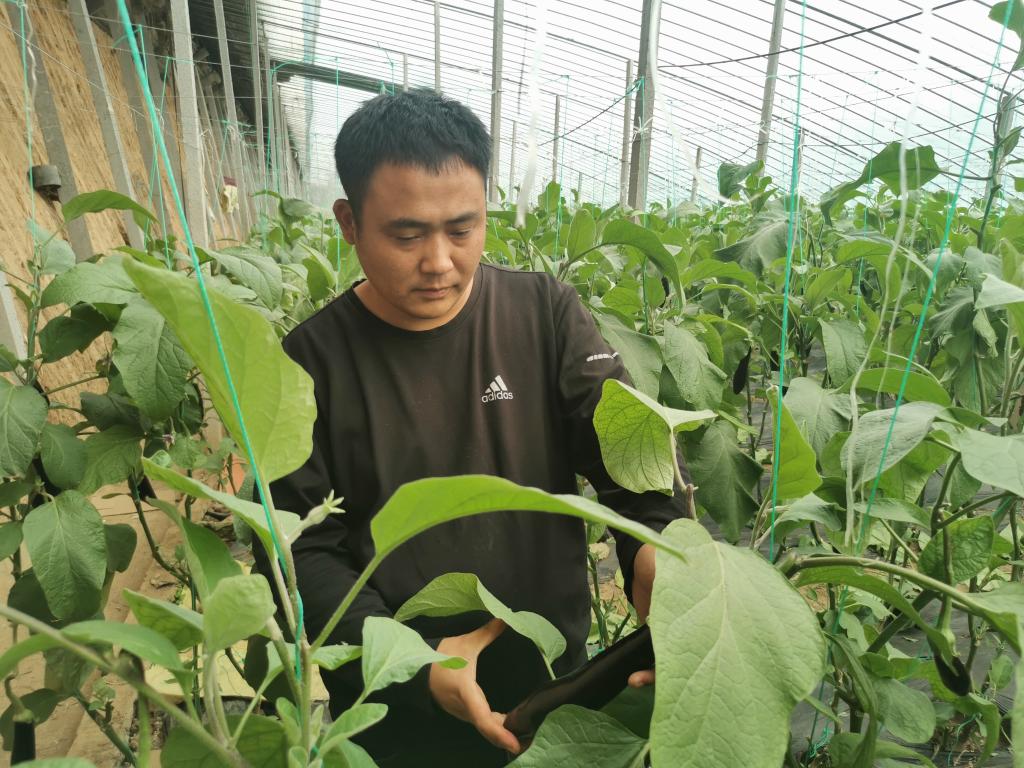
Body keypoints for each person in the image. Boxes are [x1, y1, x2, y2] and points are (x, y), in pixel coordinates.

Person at [253, 89, 688, 767]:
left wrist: (655, 545)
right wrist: (414, 662)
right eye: (407, 235)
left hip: (554, 690)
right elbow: (299, 548)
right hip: (393, 707)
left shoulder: (543, 315)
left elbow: (629, 453)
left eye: (463, 229)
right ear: (348, 221)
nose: (439, 261)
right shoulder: (307, 364)